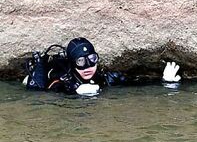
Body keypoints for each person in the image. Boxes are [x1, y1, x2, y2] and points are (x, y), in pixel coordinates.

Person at [24, 37, 181, 95]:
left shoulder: (104, 78)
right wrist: (73, 92)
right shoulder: (63, 81)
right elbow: (51, 90)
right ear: (72, 63)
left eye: (92, 59)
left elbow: (137, 86)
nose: (88, 67)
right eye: (81, 62)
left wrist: (165, 82)